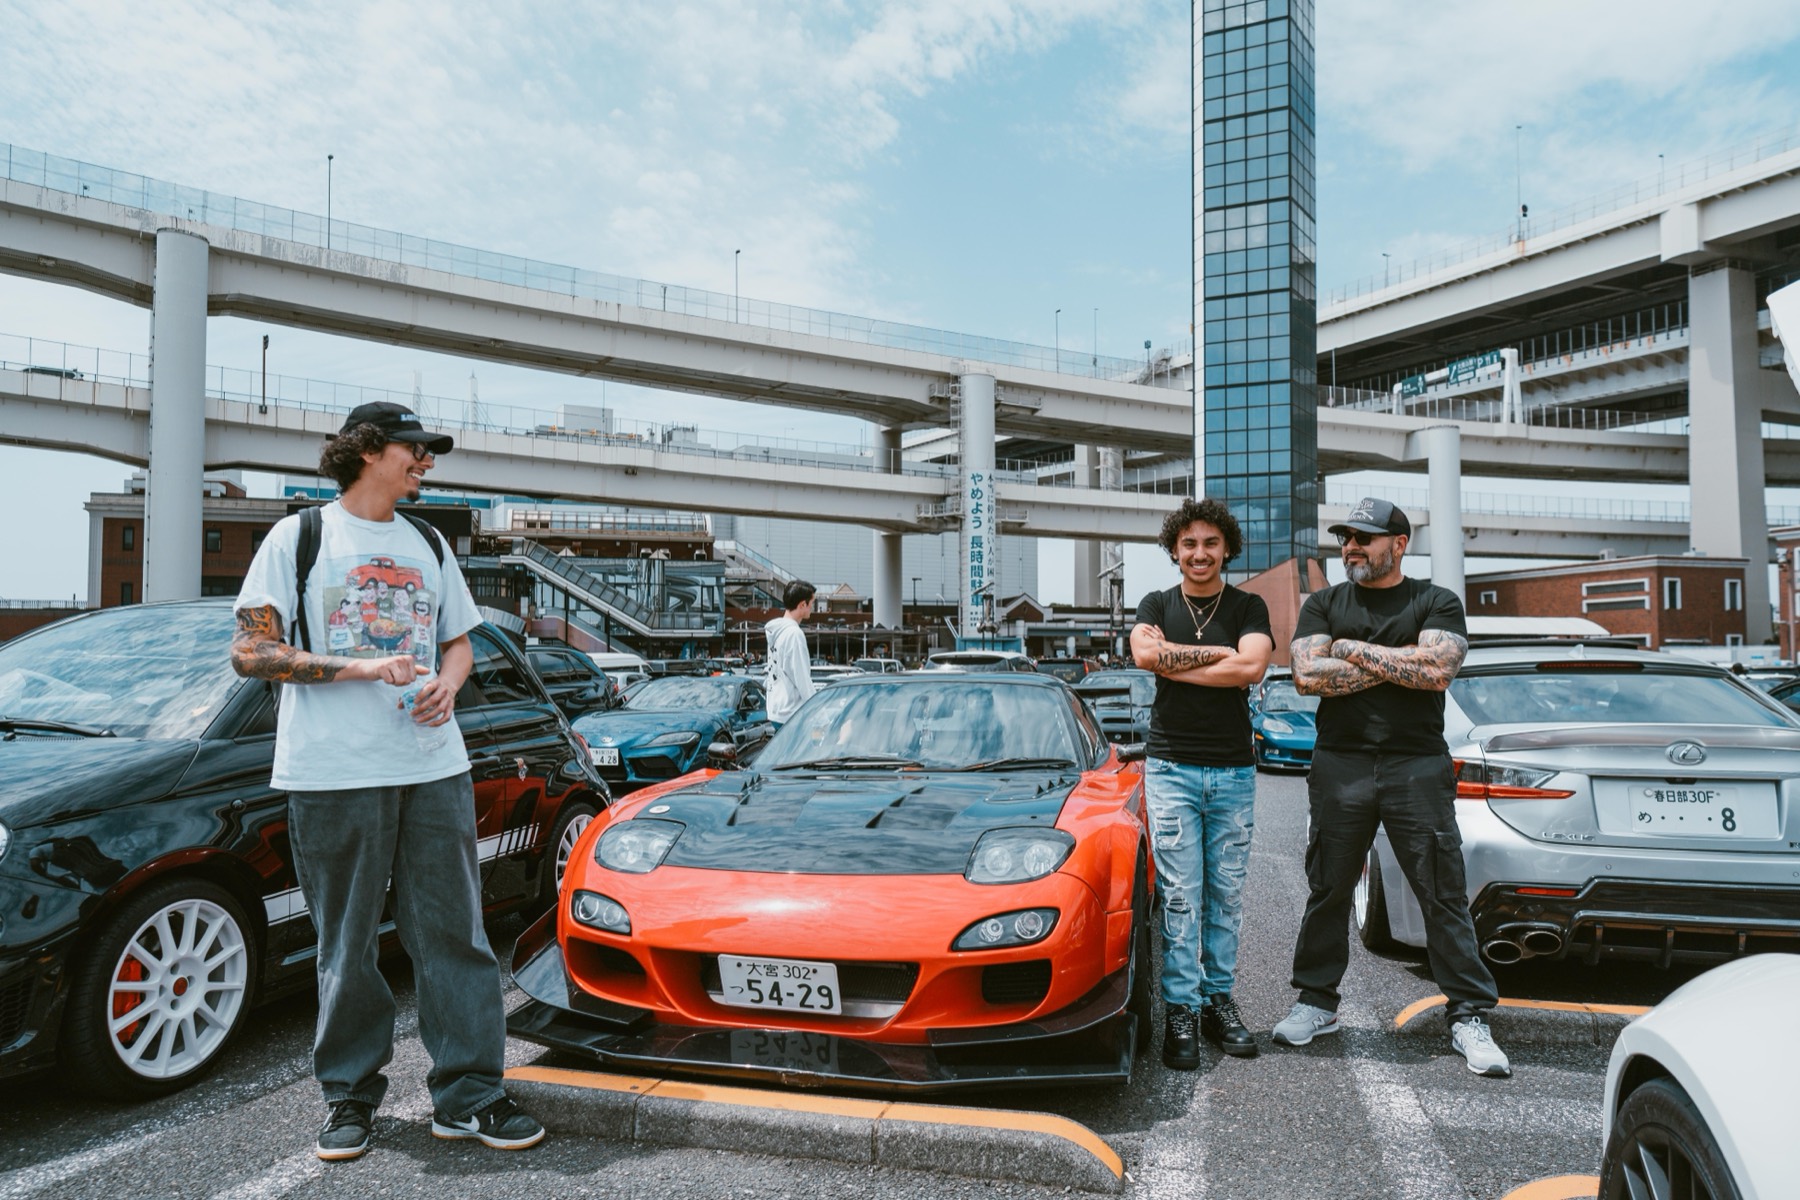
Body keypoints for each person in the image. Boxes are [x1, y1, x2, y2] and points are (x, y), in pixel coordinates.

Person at [231, 401, 546, 1161]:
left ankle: (470, 1095)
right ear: (369, 450)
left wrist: (450, 683)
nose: (426, 462)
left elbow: (460, 643)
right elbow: (250, 652)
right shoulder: (300, 537)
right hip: (333, 772)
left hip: (432, 764)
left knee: (455, 936)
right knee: (346, 944)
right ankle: (348, 1096)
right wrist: (360, 667)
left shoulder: (428, 541)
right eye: (416, 448)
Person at [1273, 497, 1511, 1078]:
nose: (1350, 547)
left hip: (1416, 765)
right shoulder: (1324, 603)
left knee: (1441, 890)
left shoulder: (1435, 601)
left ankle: (1468, 1015)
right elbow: (1307, 675)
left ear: (1399, 544)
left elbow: (1437, 670)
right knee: (1328, 887)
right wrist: (1398, 662)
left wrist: (1349, 649)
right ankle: (1316, 1002)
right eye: (1345, 538)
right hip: (1341, 764)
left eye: (1364, 538)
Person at [1129, 498, 1273, 1070]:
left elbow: (1251, 667)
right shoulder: (1156, 603)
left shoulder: (1248, 605)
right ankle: (1181, 1008)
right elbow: (1144, 655)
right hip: (1171, 768)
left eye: (1211, 543)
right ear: (1174, 549)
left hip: (1233, 770)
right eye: (1189, 543)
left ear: (1227, 548)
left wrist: (1177, 659)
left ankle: (1217, 1000)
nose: (1200, 553)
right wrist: (1218, 655)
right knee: (1180, 896)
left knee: (1225, 896)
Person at [764, 579, 817, 727]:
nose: (812, 608)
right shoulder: (794, 634)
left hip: (776, 709)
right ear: (802, 605)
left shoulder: (776, 631)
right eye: (811, 604)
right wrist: (819, 713)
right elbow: (802, 679)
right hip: (791, 713)